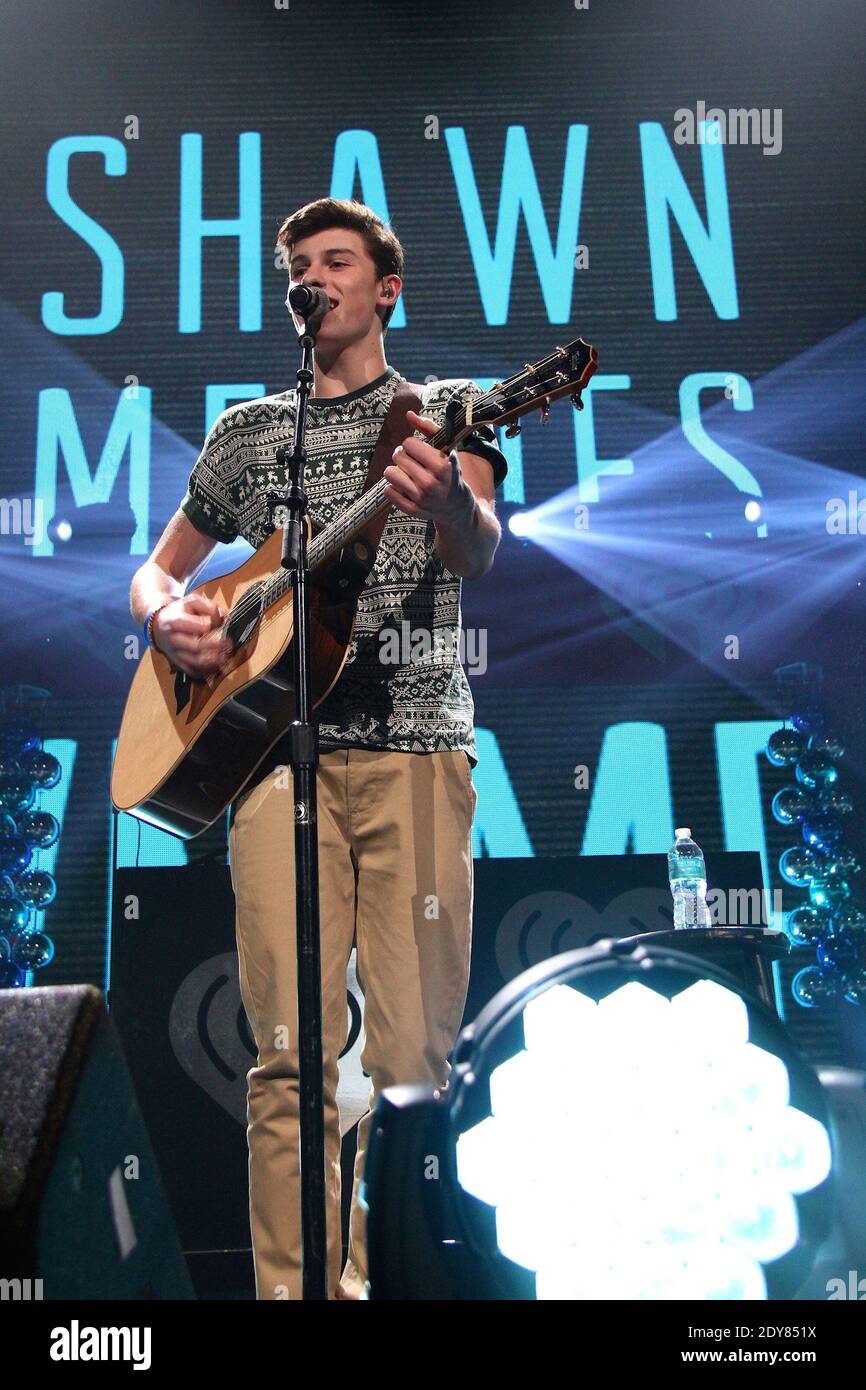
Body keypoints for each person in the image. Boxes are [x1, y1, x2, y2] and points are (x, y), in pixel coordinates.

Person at [129, 197, 507, 1299]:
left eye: (335, 261)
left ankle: (393, 1279)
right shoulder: (249, 433)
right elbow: (157, 570)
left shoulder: (447, 411)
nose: (313, 276)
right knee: (287, 1060)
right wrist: (168, 617)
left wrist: (444, 505)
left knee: (409, 1064)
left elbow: (479, 549)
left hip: (414, 751)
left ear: (385, 288)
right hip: (268, 764)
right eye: (298, 264)